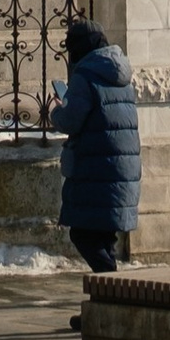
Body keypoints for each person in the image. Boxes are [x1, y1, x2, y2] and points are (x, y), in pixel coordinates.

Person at [50, 17, 139, 275]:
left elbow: (70, 120)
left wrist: (57, 110)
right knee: (103, 237)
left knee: (83, 235)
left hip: (97, 170)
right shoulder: (121, 75)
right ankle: (106, 295)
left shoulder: (85, 76)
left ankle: (114, 286)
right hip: (122, 168)